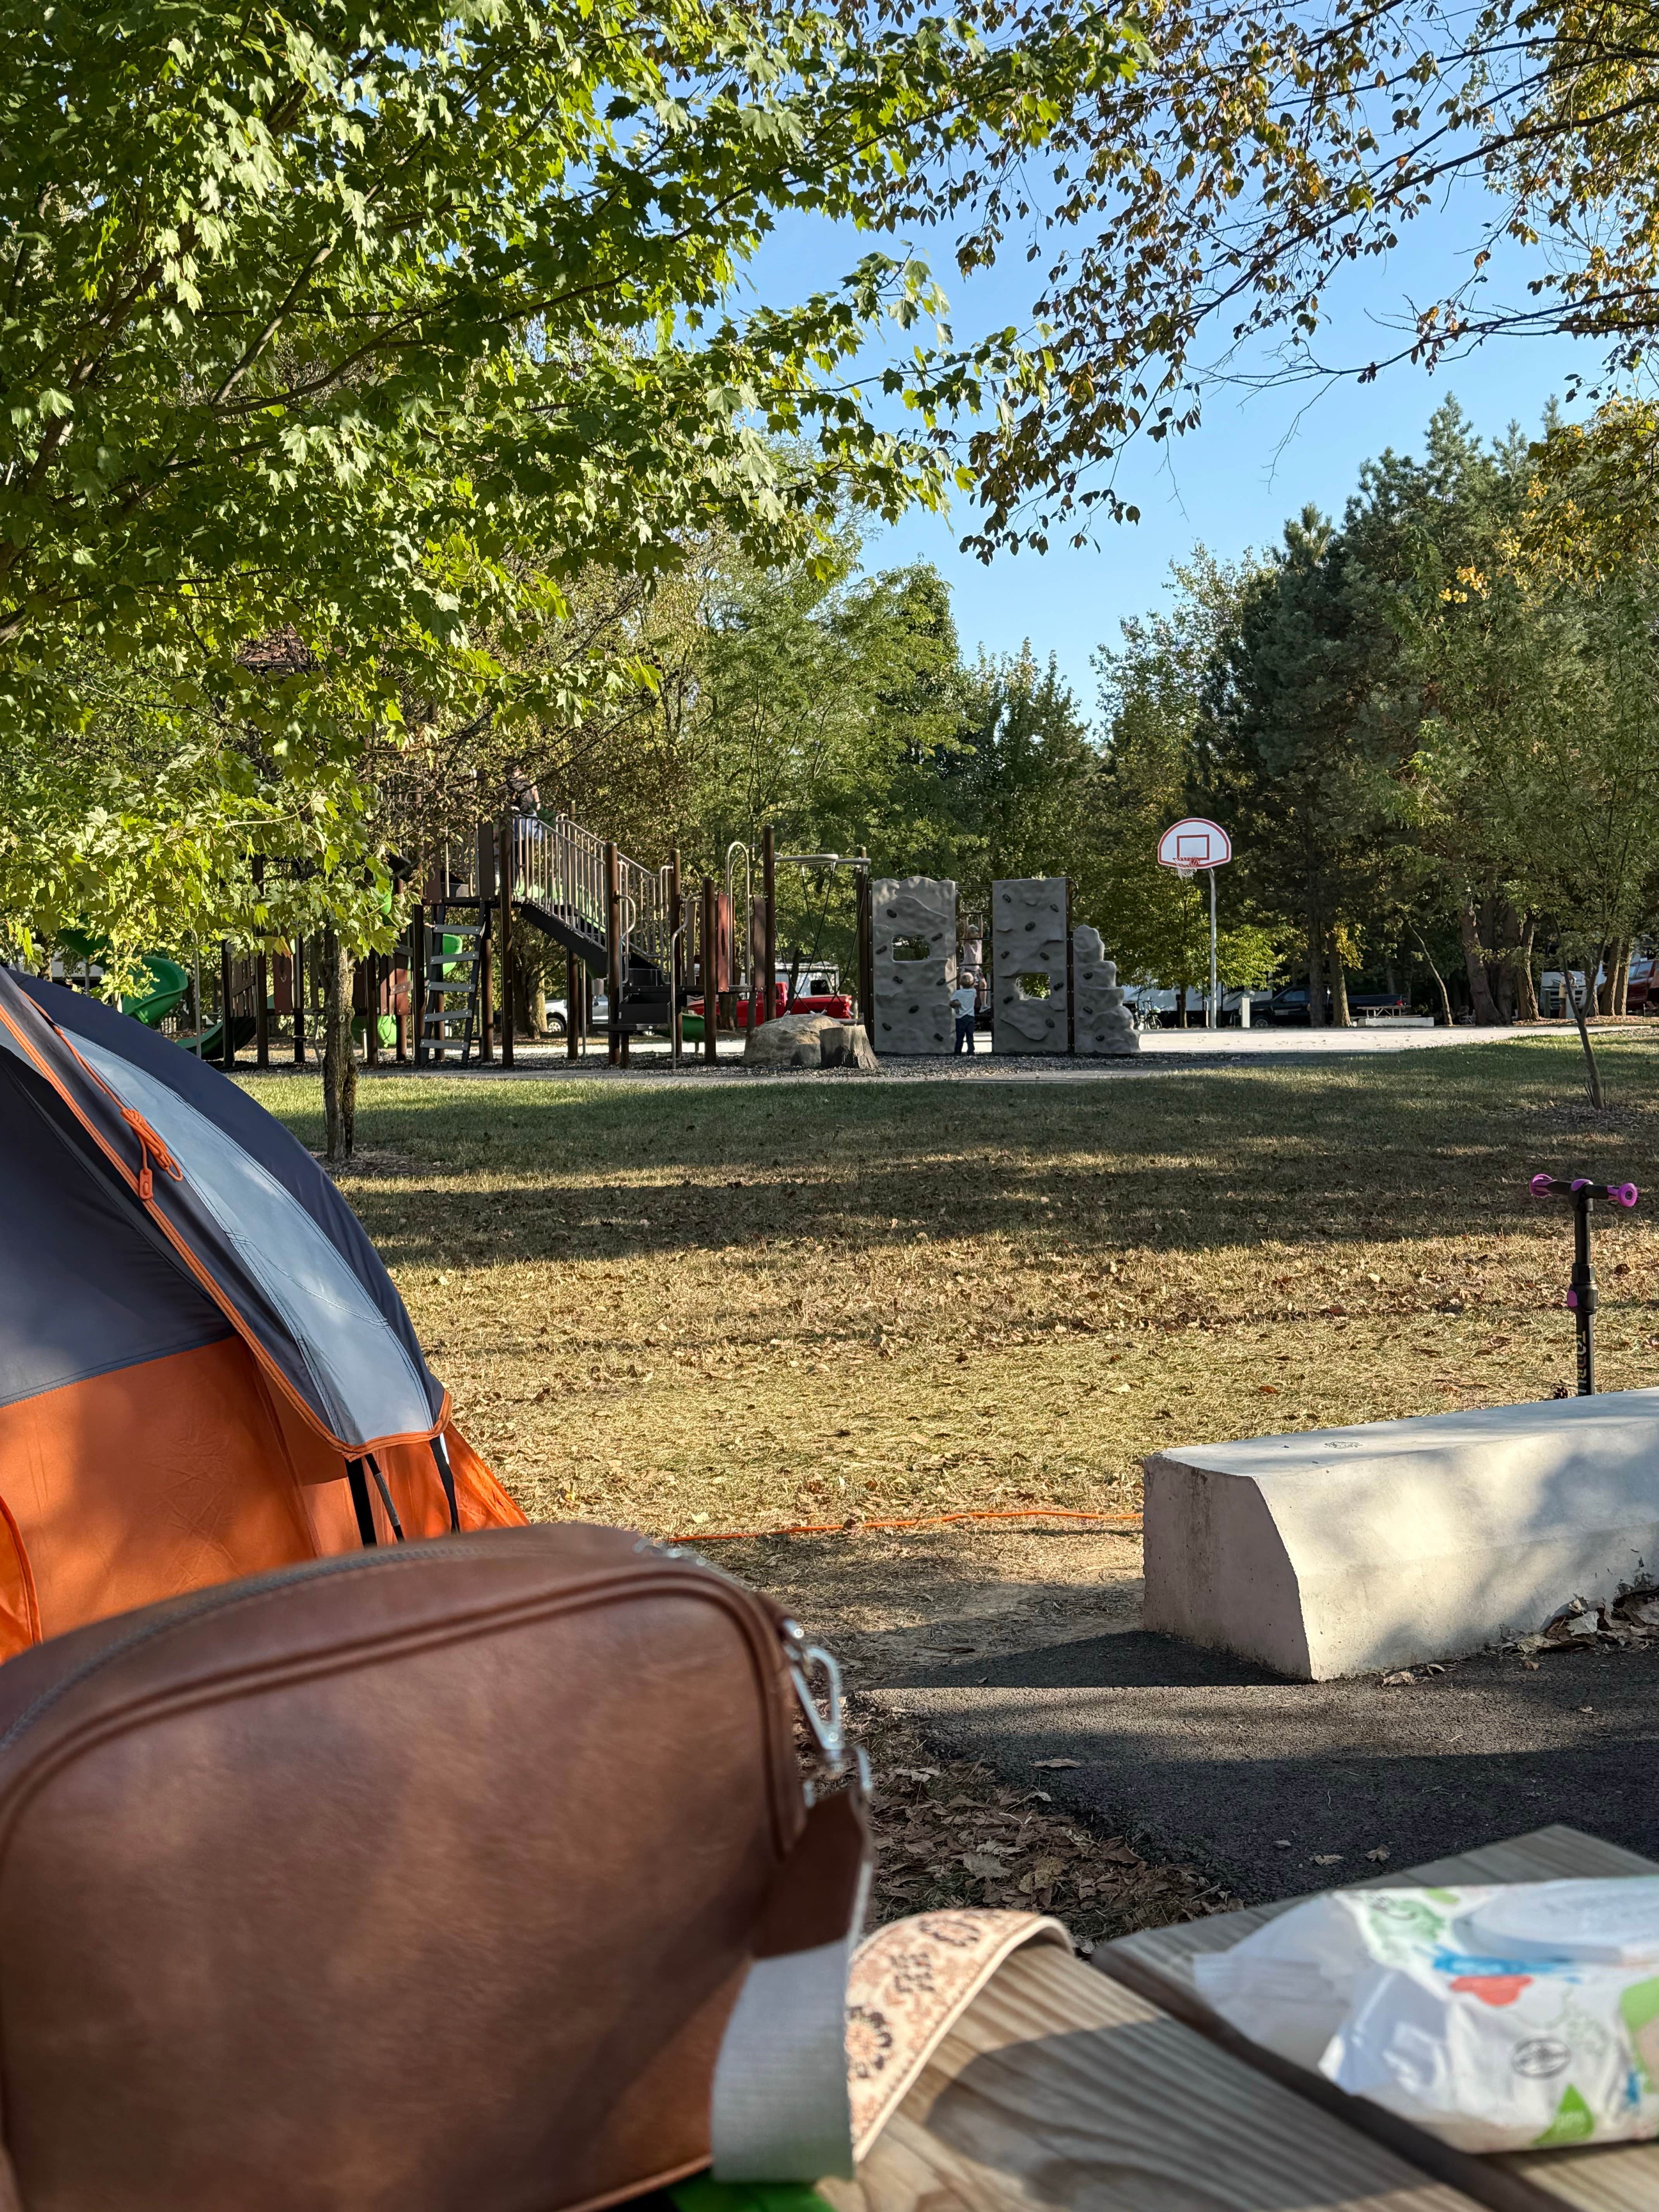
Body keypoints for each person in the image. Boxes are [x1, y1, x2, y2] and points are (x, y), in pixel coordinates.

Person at [951, 972, 978, 1054]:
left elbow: (951, 1002)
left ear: (961, 984)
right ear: (973, 983)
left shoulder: (958, 993)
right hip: (970, 1017)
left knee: (960, 1036)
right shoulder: (974, 992)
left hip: (960, 1018)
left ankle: (958, 1051)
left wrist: (957, 1004)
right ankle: (971, 1051)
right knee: (970, 1035)